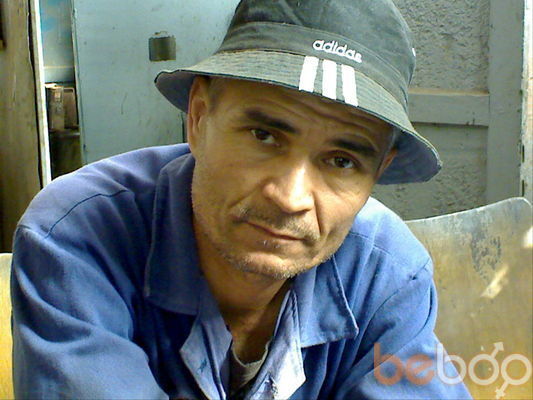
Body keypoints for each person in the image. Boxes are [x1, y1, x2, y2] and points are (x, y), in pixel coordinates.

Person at [11, 0, 472, 398]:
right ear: (198, 116)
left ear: (379, 171)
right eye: (263, 135)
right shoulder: (79, 235)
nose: (289, 198)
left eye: (342, 161)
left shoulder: (387, 275)